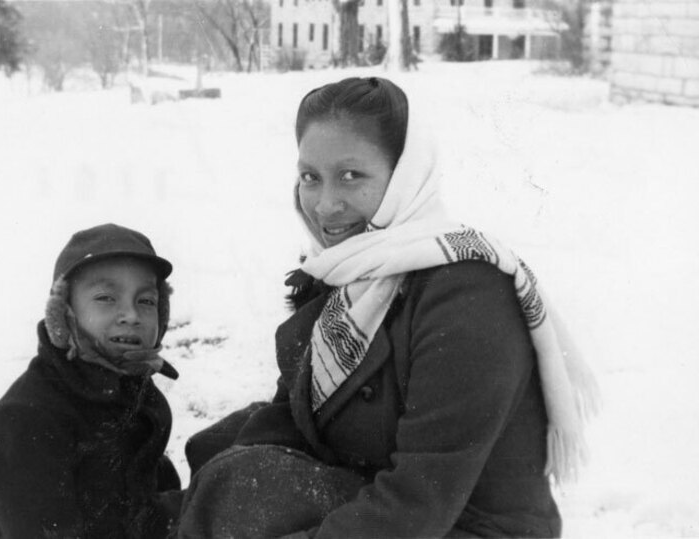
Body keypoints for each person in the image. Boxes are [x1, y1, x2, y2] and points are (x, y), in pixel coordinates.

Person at [171, 77, 600, 538]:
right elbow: (292, 419)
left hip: (461, 527)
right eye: (311, 177)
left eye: (351, 176)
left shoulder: (467, 293)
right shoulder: (349, 271)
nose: (325, 205)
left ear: (404, 177)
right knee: (226, 466)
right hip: (386, 504)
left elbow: (419, 498)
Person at [0, 223, 181, 539]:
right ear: (63, 312)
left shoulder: (134, 393)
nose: (131, 314)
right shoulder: (24, 420)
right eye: (105, 297)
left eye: (146, 301)